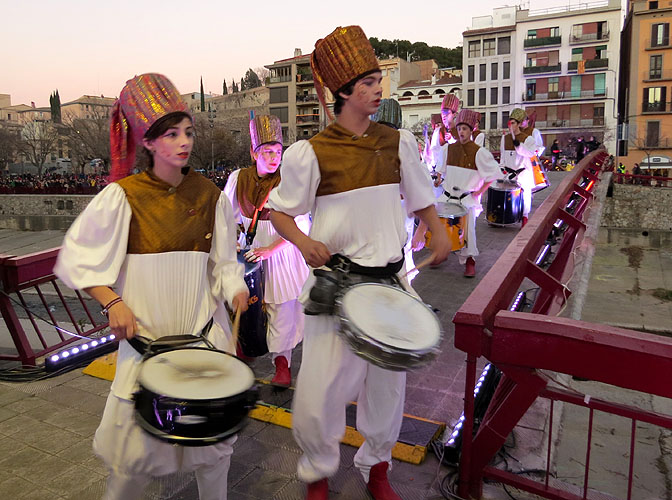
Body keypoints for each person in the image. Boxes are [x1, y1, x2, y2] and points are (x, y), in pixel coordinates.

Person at [267, 26, 451, 500]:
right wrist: (303, 242)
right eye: (367, 83)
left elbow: (420, 198)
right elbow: (278, 213)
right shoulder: (310, 153)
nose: (377, 89)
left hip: (390, 283)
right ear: (344, 92)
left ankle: (377, 467)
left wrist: (437, 228)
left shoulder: (398, 143)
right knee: (320, 391)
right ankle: (318, 471)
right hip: (337, 284)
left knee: (387, 389)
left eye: (377, 80)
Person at [53, 73, 249, 500]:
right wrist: (113, 302)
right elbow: (77, 259)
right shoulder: (122, 197)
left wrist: (235, 287)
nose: (184, 142)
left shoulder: (212, 196)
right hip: (145, 348)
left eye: (188, 132)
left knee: (214, 453)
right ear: (147, 141)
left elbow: (223, 263)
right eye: (171, 134)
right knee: (132, 461)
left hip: (202, 341)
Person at [223, 114, 310, 387]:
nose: (274, 158)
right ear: (254, 153)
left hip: (281, 253)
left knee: (281, 310)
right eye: (268, 152)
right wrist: (234, 241)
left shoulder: (288, 180)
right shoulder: (238, 179)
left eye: (278, 152)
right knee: (249, 305)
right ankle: (247, 346)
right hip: (251, 253)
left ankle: (282, 363)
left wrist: (271, 249)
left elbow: (300, 224)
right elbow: (225, 216)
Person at [412, 109, 501, 277]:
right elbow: (441, 170)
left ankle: (470, 260)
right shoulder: (448, 149)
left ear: (471, 130)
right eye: (459, 128)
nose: (461, 132)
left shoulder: (479, 152)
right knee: (437, 223)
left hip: (466, 198)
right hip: (447, 195)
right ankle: (440, 252)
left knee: (468, 231)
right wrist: (439, 178)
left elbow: (493, 175)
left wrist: (478, 193)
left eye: (465, 129)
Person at [372, 98, 419, 283]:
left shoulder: (404, 150)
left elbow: (422, 196)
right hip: (376, 225)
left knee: (401, 270)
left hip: (400, 217)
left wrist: (423, 230)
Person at [500, 108, 537, 227]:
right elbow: (503, 156)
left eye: (513, 123)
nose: (510, 125)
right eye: (509, 122)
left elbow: (530, 153)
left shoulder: (528, 139)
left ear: (519, 124)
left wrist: (519, 145)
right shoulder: (505, 138)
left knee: (525, 196)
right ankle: (506, 217)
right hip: (509, 173)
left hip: (523, 173)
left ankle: (525, 217)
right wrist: (502, 169)